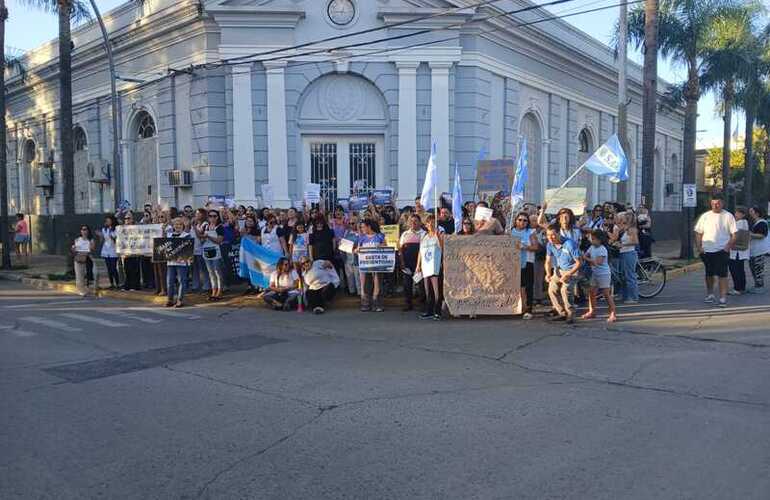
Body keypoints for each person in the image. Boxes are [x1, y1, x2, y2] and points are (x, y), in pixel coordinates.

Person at [694, 195, 737, 307]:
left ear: (722, 203)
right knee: (709, 273)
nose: (715, 205)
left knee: (722, 274)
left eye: (717, 203)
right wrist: (699, 247)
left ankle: (722, 298)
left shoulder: (728, 216)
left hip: (722, 250)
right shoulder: (705, 216)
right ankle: (710, 294)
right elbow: (698, 232)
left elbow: (734, 235)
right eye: (713, 203)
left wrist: (727, 246)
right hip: (707, 250)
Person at [544, 223, 581, 324]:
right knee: (552, 289)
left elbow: (579, 263)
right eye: (548, 235)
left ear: (558, 233)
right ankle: (561, 313)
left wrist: (568, 274)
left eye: (553, 235)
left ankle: (570, 314)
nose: (551, 238)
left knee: (565, 290)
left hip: (572, 270)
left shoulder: (569, 244)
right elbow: (548, 261)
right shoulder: (549, 244)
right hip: (559, 269)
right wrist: (548, 274)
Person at [582, 229, 617, 323]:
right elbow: (585, 256)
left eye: (594, 239)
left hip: (603, 274)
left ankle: (613, 313)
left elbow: (598, 262)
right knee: (591, 292)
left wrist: (588, 259)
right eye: (591, 239)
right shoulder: (592, 247)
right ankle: (592, 311)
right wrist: (588, 259)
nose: (592, 241)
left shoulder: (602, 249)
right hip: (595, 273)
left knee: (606, 294)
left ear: (600, 240)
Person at [511, 211, 539, 320]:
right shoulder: (510, 231)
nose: (522, 222)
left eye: (525, 220)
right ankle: (517, 307)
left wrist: (525, 246)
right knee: (517, 286)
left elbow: (535, 247)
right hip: (513, 262)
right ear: (516, 221)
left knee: (527, 286)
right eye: (520, 220)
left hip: (527, 261)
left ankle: (528, 309)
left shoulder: (531, 232)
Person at [416, 214, 444, 320]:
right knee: (428, 291)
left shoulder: (439, 234)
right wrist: (418, 266)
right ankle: (429, 311)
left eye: (433, 222)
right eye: (429, 222)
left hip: (435, 266)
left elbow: (442, 248)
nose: (431, 224)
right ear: (426, 225)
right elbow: (421, 252)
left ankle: (437, 312)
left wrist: (437, 236)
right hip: (425, 266)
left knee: (436, 291)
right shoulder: (424, 236)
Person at [355, 218, 386, 312]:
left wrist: (381, 246)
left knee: (377, 283)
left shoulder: (379, 236)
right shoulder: (362, 238)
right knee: (365, 284)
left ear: (369, 227)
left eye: (363, 227)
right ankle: (365, 303)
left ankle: (377, 303)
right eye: (361, 227)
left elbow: (386, 246)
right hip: (365, 264)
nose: (362, 229)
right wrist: (357, 251)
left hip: (377, 264)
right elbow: (357, 249)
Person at [399, 214, 425, 311]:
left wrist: (421, 265)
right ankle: (408, 304)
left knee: (421, 285)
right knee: (407, 284)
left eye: (415, 221)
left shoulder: (424, 234)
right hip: (407, 263)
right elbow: (400, 250)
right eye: (411, 221)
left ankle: (423, 304)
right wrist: (402, 262)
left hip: (420, 264)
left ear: (420, 222)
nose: (413, 223)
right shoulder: (405, 234)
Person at [611, 212, 639, 304]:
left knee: (630, 276)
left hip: (629, 253)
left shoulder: (632, 229)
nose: (621, 219)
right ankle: (625, 295)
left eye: (623, 218)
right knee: (623, 276)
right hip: (623, 253)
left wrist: (622, 244)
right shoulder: (624, 229)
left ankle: (633, 297)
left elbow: (635, 242)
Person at [165, 218, 192, 307]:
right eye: (176, 224)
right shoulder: (169, 235)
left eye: (180, 224)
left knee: (182, 280)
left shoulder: (186, 235)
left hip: (182, 262)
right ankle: (170, 299)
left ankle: (180, 300)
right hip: (171, 262)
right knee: (170, 281)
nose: (178, 226)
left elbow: (188, 249)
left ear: (183, 226)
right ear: (173, 226)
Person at [199, 210, 225, 301]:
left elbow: (219, 240)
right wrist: (203, 238)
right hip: (206, 251)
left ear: (218, 217)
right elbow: (201, 239)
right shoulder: (206, 226)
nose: (212, 218)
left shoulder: (220, 227)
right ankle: (214, 290)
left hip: (216, 251)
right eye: (210, 216)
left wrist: (208, 236)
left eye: (215, 216)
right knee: (210, 272)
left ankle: (220, 290)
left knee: (217, 271)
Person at [728, 207, 750, 295]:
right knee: (740, 269)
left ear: (743, 215)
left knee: (734, 269)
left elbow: (732, 233)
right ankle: (742, 287)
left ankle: (737, 288)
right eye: (736, 212)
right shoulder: (745, 222)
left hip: (736, 250)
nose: (735, 214)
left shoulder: (740, 223)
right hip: (741, 250)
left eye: (738, 213)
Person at [748, 205, 769, 293]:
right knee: (753, 267)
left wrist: (750, 234)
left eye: (751, 212)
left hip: (760, 250)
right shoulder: (754, 222)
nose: (750, 213)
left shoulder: (762, 223)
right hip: (754, 250)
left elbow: (762, 235)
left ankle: (760, 287)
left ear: (757, 213)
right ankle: (757, 285)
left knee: (758, 268)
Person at [72, 225, 96, 297]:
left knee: (92, 273)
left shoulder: (91, 240)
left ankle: (90, 288)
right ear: (81, 231)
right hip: (79, 258)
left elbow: (92, 249)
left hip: (88, 258)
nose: (84, 231)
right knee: (79, 275)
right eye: (83, 229)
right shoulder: (77, 240)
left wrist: (90, 247)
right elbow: (74, 250)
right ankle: (81, 290)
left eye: (85, 229)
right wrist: (73, 248)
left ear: (88, 231)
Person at [191, 208, 211, 295]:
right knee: (194, 269)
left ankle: (206, 286)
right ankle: (195, 286)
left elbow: (201, 236)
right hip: (193, 250)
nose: (197, 215)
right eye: (196, 213)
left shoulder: (205, 224)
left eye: (199, 213)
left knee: (203, 269)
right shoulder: (194, 224)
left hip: (201, 250)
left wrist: (195, 227)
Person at [121, 212, 142, 291]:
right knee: (127, 270)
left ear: (132, 219)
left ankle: (135, 285)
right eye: (126, 218)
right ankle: (127, 285)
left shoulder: (137, 227)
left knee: (134, 270)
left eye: (129, 218)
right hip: (126, 253)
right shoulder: (122, 228)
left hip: (135, 252)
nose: (127, 220)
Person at [99, 215, 120, 289]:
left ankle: (117, 283)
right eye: (106, 221)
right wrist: (100, 236)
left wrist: (112, 235)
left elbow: (116, 239)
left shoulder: (116, 229)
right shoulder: (104, 229)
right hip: (106, 250)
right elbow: (102, 240)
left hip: (113, 250)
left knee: (113, 268)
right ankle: (111, 283)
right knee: (109, 268)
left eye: (109, 220)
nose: (107, 222)